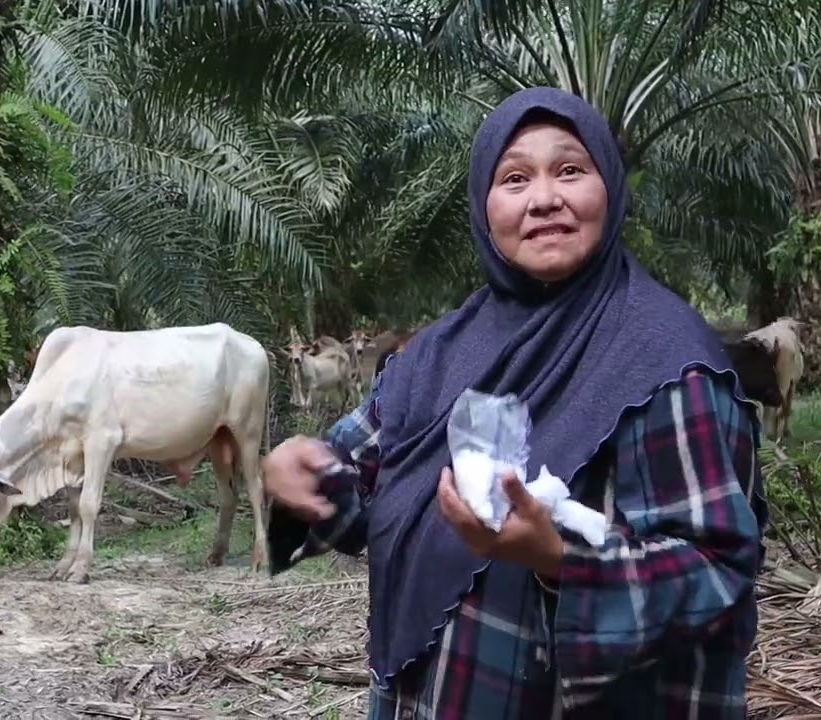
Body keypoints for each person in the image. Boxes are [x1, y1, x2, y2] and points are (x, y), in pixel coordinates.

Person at [262, 86, 769, 719]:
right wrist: (297, 469)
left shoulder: (665, 363)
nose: (544, 198)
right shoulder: (440, 352)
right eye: (514, 177)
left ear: (608, 187)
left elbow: (717, 571)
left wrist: (556, 558)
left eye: (570, 170)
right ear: (484, 205)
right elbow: (355, 474)